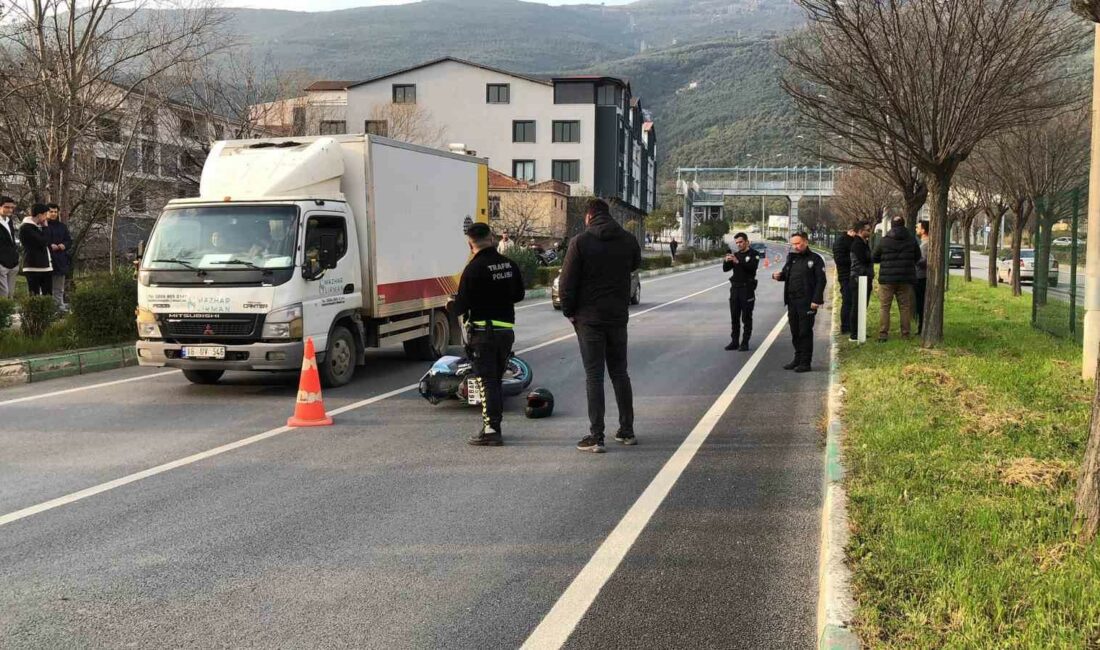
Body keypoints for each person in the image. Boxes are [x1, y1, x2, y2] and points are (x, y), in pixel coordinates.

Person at [559, 198, 642, 453]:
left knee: (594, 376)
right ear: (608, 214)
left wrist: (570, 312)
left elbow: (566, 283)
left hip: (590, 319)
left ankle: (597, 436)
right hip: (617, 317)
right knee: (620, 373)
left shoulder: (580, 242)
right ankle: (627, 430)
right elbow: (635, 265)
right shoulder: (628, 240)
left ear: (588, 216)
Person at [453, 223, 525, 446]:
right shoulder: (509, 264)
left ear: (470, 243)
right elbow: (519, 294)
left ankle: (492, 429)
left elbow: (461, 306)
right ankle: (495, 425)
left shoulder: (473, 269)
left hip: (484, 333)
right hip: (505, 332)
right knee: (496, 379)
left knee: (488, 382)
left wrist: (450, 304)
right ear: (492, 238)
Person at [772, 232, 826, 373]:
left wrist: (816, 300)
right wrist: (778, 276)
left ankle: (805, 362)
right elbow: (786, 274)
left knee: (805, 332)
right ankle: (797, 358)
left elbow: (821, 281)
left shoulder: (815, 259)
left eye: (798, 243)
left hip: (807, 301)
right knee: (795, 331)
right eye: (793, 244)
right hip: (792, 301)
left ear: (806, 242)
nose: (795, 246)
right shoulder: (792, 258)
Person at [872, 216, 920, 341]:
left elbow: (874, 257)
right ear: (904, 225)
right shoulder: (911, 240)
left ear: (892, 226)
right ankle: (905, 334)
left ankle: (883, 334)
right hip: (905, 278)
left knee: (885, 306)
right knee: (904, 307)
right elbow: (917, 256)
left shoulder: (884, 240)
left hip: (887, 280)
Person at [723, 232, 761, 351]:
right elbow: (725, 269)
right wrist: (726, 260)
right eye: (737, 242)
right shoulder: (736, 254)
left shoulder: (754, 254)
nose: (739, 244)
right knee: (734, 317)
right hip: (735, 289)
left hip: (747, 289)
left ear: (746, 242)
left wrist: (738, 262)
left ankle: (745, 342)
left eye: (741, 242)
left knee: (746, 317)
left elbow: (752, 268)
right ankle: (734, 341)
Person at [848, 220, 874, 341]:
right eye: (867, 230)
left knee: (863, 306)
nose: (870, 232)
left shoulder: (864, 243)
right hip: (858, 278)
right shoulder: (857, 244)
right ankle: (854, 333)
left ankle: (860, 330)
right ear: (860, 231)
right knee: (857, 305)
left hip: (865, 277)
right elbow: (865, 259)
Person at [20, 203, 53, 297]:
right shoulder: (26, 228)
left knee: (47, 294)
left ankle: (46, 311)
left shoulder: (38, 227)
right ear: (39, 215)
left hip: (45, 266)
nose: (46, 217)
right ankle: (35, 312)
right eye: (45, 214)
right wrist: (45, 227)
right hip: (33, 266)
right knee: (34, 295)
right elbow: (43, 242)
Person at [45, 203, 72, 310]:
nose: (53, 214)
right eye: (51, 211)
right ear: (46, 212)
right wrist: (49, 245)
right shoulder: (42, 225)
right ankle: (48, 308)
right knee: (46, 287)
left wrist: (63, 245)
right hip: (46, 260)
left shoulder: (62, 226)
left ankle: (58, 307)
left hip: (60, 260)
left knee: (59, 287)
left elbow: (69, 241)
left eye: (55, 212)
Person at [832, 224, 856, 335]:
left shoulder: (846, 241)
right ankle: (846, 326)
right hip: (846, 275)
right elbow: (841, 260)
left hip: (847, 275)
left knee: (850, 301)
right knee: (848, 301)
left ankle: (850, 325)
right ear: (851, 231)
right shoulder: (844, 242)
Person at [0, 197, 19, 299]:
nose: (10, 210)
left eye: (12, 207)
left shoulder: (9, 221)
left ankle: (7, 314)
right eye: (7, 207)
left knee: (10, 294)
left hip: (12, 262)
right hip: (1, 264)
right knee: (3, 294)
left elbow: (11, 240)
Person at [914, 220, 930, 336]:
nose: (916, 229)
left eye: (918, 227)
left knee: (921, 303)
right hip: (920, 276)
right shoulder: (923, 243)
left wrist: (913, 259)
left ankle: (921, 328)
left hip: (921, 277)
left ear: (923, 230)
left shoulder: (925, 245)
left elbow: (924, 261)